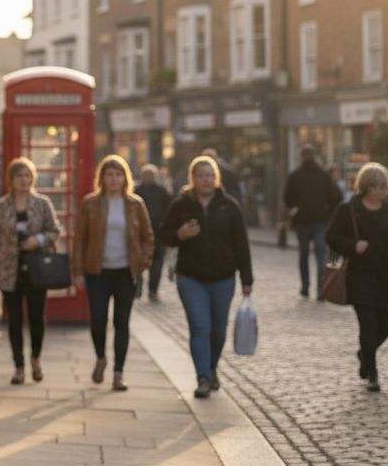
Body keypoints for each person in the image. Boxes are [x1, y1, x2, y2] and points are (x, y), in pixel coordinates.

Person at [159, 155, 253, 399]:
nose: (206, 180)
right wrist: (179, 234)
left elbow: (241, 244)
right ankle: (202, 377)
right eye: (201, 176)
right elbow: (163, 235)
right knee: (200, 327)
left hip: (223, 278)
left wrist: (247, 278)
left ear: (216, 178)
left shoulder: (229, 205)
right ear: (193, 179)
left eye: (210, 175)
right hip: (191, 277)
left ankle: (211, 368)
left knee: (218, 331)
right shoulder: (182, 204)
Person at [0, 157, 63, 385]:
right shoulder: (0, 206)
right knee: (14, 320)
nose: (23, 180)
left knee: (36, 317)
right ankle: (19, 366)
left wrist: (38, 239)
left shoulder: (42, 203)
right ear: (10, 180)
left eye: (27, 175)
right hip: (8, 269)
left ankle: (36, 358)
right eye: (19, 175)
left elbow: (54, 231)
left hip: (36, 268)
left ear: (33, 178)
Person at [327, 163, 388, 392]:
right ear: (367, 188)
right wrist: (353, 245)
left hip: (386, 277)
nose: (383, 191)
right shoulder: (349, 209)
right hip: (360, 277)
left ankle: (364, 354)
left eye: (385, 186)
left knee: (385, 326)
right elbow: (332, 237)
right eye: (378, 187)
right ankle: (372, 373)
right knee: (368, 326)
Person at [73, 156, 154, 391]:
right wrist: (77, 271)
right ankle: (101, 357)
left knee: (122, 322)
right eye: (109, 174)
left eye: (118, 174)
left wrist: (143, 262)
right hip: (97, 271)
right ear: (102, 178)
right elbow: (80, 240)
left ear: (125, 178)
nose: (114, 179)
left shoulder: (135, 204)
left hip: (125, 272)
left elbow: (148, 237)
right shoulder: (90, 204)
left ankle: (119, 372)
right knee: (98, 320)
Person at [283, 146, 342, 299]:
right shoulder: (323, 175)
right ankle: (321, 288)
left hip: (302, 220)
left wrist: (295, 208)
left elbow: (287, 198)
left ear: (302, 157)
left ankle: (305, 286)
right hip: (320, 220)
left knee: (303, 254)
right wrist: (328, 213)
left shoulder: (295, 176)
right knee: (321, 255)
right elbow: (334, 197)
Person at [135, 164, 172, 302]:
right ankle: (137, 289)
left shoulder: (162, 191)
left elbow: (170, 209)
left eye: (150, 175)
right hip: (139, 233)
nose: (148, 178)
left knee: (157, 263)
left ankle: (152, 290)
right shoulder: (135, 191)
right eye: (145, 175)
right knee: (138, 261)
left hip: (158, 233)